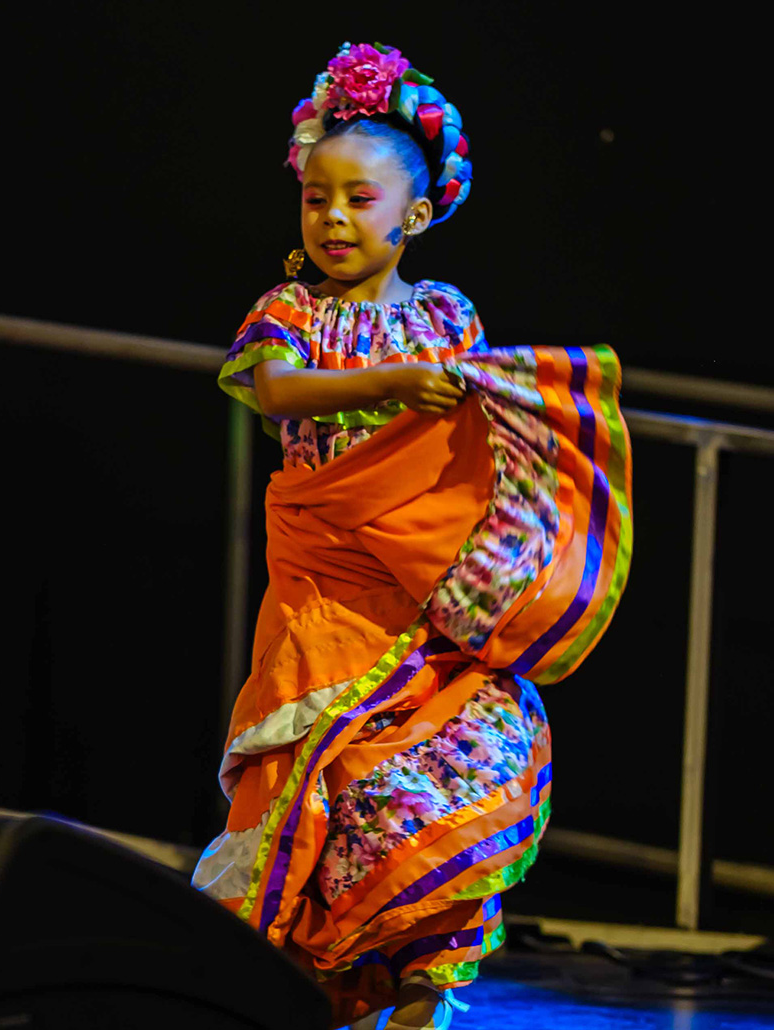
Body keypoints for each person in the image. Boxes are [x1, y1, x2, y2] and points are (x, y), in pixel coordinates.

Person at [192, 42, 633, 1030]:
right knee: (331, 782)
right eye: (318, 199)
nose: (335, 218)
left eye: (359, 200)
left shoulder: (445, 316)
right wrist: (389, 384)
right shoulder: (287, 314)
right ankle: (308, 982)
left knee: (471, 761)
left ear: (416, 214)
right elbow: (276, 391)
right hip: (327, 600)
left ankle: (425, 991)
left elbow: (478, 442)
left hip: (426, 597)